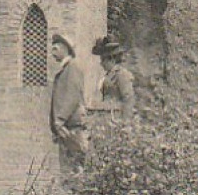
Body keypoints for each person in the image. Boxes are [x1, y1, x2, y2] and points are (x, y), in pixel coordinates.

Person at [49, 31, 88, 182]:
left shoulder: (72, 68)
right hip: (65, 127)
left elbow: (72, 96)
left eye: (55, 48)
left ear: (66, 48)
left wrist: (59, 119)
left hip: (72, 126)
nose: (52, 53)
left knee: (76, 167)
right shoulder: (64, 70)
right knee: (67, 169)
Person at [91, 36, 135, 123]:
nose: (101, 63)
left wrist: (125, 123)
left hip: (117, 119)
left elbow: (128, 99)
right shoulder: (108, 75)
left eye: (103, 60)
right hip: (108, 119)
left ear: (112, 60)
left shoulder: (122, 74)